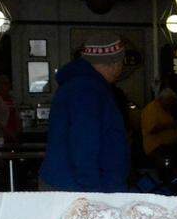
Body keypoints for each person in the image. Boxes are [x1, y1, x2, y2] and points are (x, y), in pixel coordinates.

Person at [39, 33, 129, 192]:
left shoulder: (79, 85)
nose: (122, 68)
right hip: (76, 189)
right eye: (122, 61)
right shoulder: (88, 90)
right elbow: (84, 144)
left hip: (68, 184)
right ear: (113, 63)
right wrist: (93, 194)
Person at [141, 88, 177, 163]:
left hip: (167, 146)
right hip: (157, 147)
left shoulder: (165, 109)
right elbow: (152, 129)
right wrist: (170, 125)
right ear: (163, 99)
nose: (171, 104)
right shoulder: (151, 109)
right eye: (170, 101)